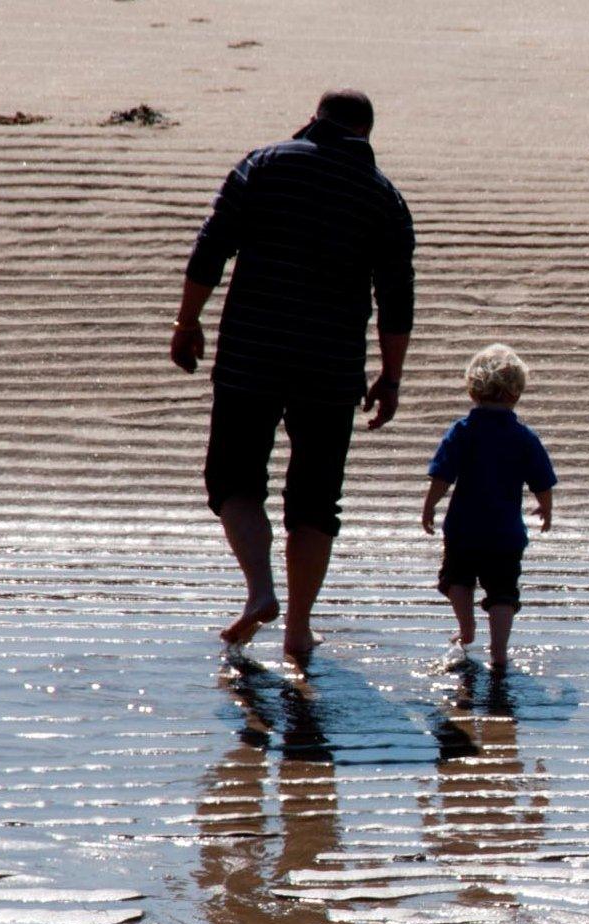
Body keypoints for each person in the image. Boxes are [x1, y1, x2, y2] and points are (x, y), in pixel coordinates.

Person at [168, 88, 415, 661]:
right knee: (315, 500)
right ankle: (298, 630)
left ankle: (259, 590)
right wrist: (392, 377)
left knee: (234, 479)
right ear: (367, 135)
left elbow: (212, 248)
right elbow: (397, 299)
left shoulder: (263, 164)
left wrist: (187, 321)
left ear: (313, 120)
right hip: (331, 368)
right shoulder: (385, 199)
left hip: (252, 351)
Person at [421, 344, 557, 672]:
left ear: (472, 390)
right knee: (502, 592)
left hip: (464, 529)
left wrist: (429, 507)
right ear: (517, 394)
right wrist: (546, 508)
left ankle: (466, 631)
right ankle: (498, 652)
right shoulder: (523, 437)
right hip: (504, 534)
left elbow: (442, 475)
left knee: (458, 578)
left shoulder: (462, 432)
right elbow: (542, 480)